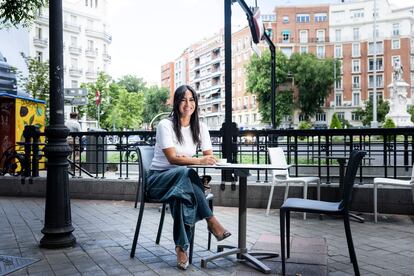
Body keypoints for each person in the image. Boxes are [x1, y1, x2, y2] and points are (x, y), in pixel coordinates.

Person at [147, 84, 231, 270]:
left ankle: (181, 249)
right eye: (183, 99)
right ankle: (211, 220)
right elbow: (172, 158)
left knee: (181, 195)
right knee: (186, 173)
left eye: (191, 99)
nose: (188, 104)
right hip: (158, 180)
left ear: (196, 103)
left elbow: (208, 155)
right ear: (177, 102)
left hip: (181, 182)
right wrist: (197, 160)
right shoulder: (165, 125)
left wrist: (201, 159)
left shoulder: (200, 127)